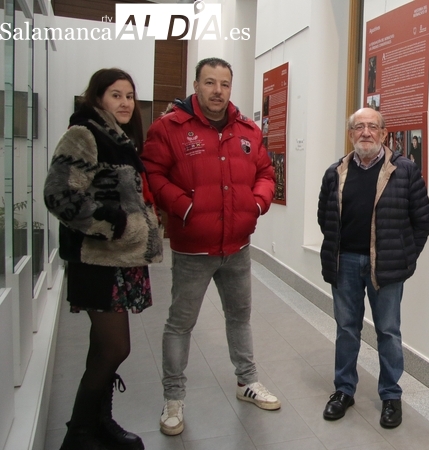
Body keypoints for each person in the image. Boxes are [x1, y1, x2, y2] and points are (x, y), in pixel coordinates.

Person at [141, 57, 279, 437]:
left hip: (237, 246)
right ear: (197, 85)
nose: (218, 91)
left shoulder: (248, 130)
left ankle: (246, 381)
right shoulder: (169, 128)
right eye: (210, 83)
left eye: (224, 84)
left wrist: (256, 204)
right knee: (180, 324)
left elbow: (266, 172)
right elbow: (152, 173)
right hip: (192, 250)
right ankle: (174, 398)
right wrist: (184, 207)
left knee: (240, 317)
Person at [44, 68, 163, 450]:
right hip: (97, 259)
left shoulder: (121, 139)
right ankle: (79, 432)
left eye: (130, 95)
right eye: (116, 94)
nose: (125, 102)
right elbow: (59, 195)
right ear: (97, 98)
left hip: (121, 259)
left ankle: (98, 423)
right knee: (115, 347)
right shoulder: (84, 134)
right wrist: (111, 223)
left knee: (103, 346)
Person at [317, 107, 429, 429]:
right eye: (359, 127)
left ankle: (391, 396)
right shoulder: (335, 172)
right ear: (351, 133)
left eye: (372, 127)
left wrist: (406, 258)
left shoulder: (404, 171)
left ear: (384, 134)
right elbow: (324, 218)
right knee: (346, 330)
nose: (365, 132)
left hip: (388, 268)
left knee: (388, 332)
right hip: (346, 264)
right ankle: (344, 390)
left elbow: (422, 221)